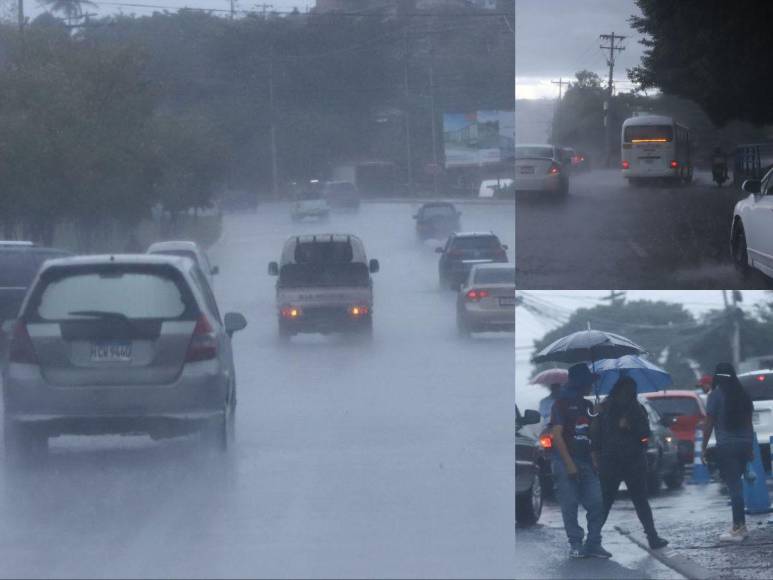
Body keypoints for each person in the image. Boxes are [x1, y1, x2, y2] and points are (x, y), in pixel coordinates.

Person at [590, 376, 668, 549]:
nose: (627, 394)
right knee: (608, 502)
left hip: (631, 461)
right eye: (625, 390)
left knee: (638, 501)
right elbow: (595, 435)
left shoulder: (635, 409)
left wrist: (630, 426)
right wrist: (596, 455)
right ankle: (592, 539)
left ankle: (652, 537)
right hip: (614, 461)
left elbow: (645, 434)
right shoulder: (604, 408)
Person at [549, 363, 611, 559]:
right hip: (565, 461)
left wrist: (598, 414)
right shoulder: (560, 404)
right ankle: (575, 543)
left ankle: (594, 543)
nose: (591, 386)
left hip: (587, 462)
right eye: (588, 382)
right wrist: (569, 464)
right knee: (570, 504)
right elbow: (557, 435)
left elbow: (591, 435)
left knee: (596, 503)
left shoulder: (587, 406)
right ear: (581, 383)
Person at [702, 363, 754, 542]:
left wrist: (703, 447)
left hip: (727, 446)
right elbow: (749, 423)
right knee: (737, 485)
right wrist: (750, 448)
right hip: (744, 444)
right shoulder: (743, 394)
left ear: (717, 377)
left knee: (734, 487)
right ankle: (741, 526)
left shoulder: (715, 395)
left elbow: (709, 423)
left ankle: (738, 527)